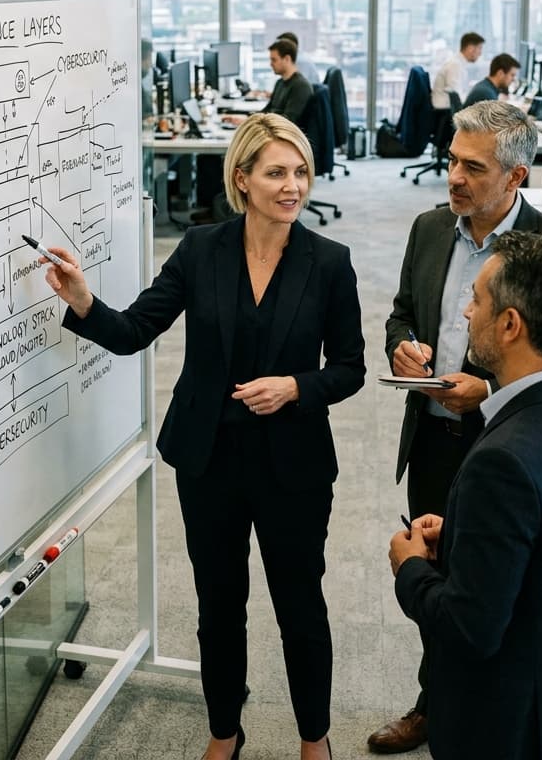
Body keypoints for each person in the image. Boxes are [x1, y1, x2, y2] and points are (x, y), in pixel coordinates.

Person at [42, 113, 364, 760]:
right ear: (242, 179)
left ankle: (314, 737)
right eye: (277, 172)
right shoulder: (201, 249)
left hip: (293, 462)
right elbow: (134, 330)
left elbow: (351, 368)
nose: (293, 185)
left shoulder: (329, 261)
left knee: (300, 605)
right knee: (219, 605)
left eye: (300, 171)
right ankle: (224, 730)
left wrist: (296, 387)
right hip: (209, 459)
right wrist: (82, 300)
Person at [369, 100, 542, 755]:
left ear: (516, 177)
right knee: (436, 578)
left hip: (510, 451)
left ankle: (484, 719)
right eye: (453, 161)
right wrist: (402, 345)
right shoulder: (432, 230)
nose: (454, 177)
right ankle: (436, 703)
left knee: (497, 597)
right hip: (433, 438)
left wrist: (488, 391)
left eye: (473, 167)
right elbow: (402, 314)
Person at [389, 231, 542, 760]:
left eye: (476, 299)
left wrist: (410, 568)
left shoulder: (501, 462)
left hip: (512, 727)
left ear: (511, 324)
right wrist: (466, 538)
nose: (466, 314)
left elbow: (469, 629)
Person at [263, 37, 314, 124]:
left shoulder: (300, 86)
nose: (271, 64)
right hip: (273, 130)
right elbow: (268, 110)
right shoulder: (280, 83)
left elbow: (288, 121)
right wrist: (248, 118)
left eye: (274, 60)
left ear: (287, 59)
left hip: (286, 134)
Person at [431, 31, 484, 109]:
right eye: (479, 48)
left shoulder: (457, 63)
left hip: (447, 109)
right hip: (445, 112)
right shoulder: (455, 65)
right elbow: (455, 95)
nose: (480, 53)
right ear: (470, 48)